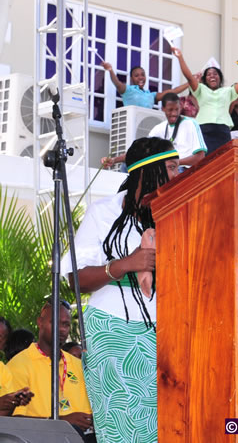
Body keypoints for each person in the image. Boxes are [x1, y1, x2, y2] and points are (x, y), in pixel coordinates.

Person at [63, 137, 180, 443]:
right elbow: (76, 280)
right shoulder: (105, 212)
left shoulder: (177, 214)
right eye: (171, 166)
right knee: (123, 424)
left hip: (167, 331)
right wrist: (126, 264)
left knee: (164, 425)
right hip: (113, 330)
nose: (178, 174)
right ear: (146, 170)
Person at [7, 298, 92, 435]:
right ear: (40, 322)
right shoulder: (18, 365)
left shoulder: (77, 364)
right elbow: (14, 422)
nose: (61, 329)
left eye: (66, 324)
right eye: (54, 322)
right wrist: (60, 422)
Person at [173, 48, 238, 154]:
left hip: (223, 131)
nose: (212, 76)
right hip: (204, 129)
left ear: (220, 78)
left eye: (215, 74)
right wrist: (180, 57)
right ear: (204, 79)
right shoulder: (200, 90)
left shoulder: (228, 91)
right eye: (208, 74)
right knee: (204, 161)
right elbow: (189, 77)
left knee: (222, 161)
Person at [101, 93, 207, 170]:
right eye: (170, 110)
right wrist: (114, 160)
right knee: (127, 166)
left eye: (177, 109)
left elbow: (200, 156)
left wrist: (176, 163)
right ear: (163, 109)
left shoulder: (191, 123)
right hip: (165, 169)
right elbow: (139, 151)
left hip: (183, 169)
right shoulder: (158, 128)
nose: (174, 113)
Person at [101, 62, 189, 108]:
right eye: (136, 75)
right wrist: (110, 70)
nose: (140, 77)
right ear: (131, 79)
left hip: (146, 128)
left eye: (143, 75)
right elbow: (117, 83)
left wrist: (190, 82)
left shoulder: (151, 95)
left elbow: (173, 91)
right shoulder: (128, 90)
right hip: (131, 127)